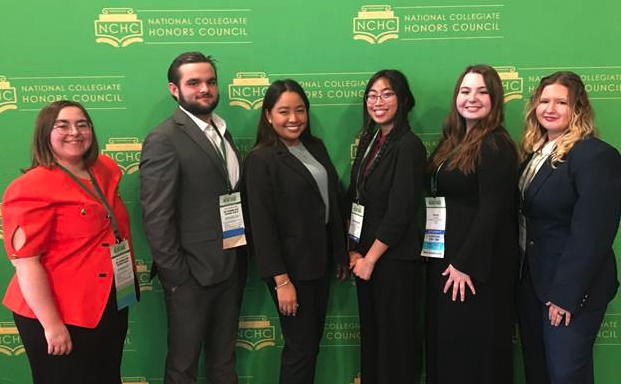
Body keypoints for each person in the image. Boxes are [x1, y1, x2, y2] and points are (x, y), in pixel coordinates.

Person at [1, 100, 137, 384]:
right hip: (59, 310)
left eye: (82, 124)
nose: (74, 132)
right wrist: (52, 326)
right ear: (44, 134)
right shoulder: (30, 187)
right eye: (61, 126)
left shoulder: (104, 168)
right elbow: (26, 264)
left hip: (107, 301)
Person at [140, 52, 247, 384]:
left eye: (211, 81)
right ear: (175, 89)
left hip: (230, 266)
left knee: (224, 362)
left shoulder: (222, 131)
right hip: (191, 276)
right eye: (194, 82)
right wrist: (178, 278)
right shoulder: (164, 138)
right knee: (183, 367)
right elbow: (156, 216)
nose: (205, 89)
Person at [517, 71, 621, 384]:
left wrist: (565, 295)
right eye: (544, 101)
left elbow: (593, 233)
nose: (550, 108)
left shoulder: (594, 155)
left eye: (561, 102)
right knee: (539, 373)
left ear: (578, 109)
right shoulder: (533, 155)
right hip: (533, 284)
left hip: (570, 291)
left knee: (566, 376)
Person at [243, 79, 348, 384]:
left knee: (309, 345)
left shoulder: (315, 147)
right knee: (300, 348)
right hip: (291, 271)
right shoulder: (260, 160)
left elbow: (332, 202)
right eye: (284, 111)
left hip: (320, 264)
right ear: (268, 116)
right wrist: (281, 280)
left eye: (300, 110)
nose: (293, 118)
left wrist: (339, 254)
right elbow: (261, 225)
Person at [425, 64, 519, 384]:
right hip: (446, 259)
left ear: (495, 99)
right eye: (465, 91)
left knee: (474, 348)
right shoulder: (452, 141)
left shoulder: (495, 144)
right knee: (451, 345)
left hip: (475, 268)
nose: (472, 98)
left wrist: (464, 263)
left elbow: (494, 209)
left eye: (482, 92)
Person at [347, 69, 426, 384]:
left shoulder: (409, 145)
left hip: (393, 261)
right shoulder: (371, 140)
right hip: (366, 259)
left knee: (395, 346)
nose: (377, 101)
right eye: (372, 95)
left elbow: (400, 211)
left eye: (387, 94)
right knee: (374, 342)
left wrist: (370, 258)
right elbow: (358, 200)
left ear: (403, 100)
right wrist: (354, 251)